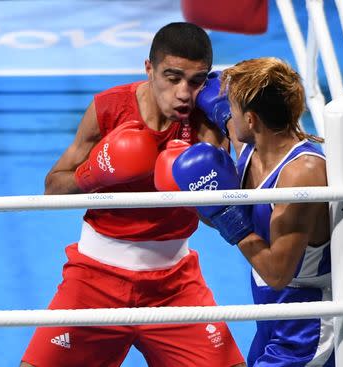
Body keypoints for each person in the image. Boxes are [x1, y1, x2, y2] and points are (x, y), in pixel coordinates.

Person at [20, 22, 245, 367]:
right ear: (149, 69)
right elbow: (52, 188)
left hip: (175, 287)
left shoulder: (207, 124)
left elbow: (220, 216)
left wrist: (201, 186)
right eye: (172, 78)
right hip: (94, 281)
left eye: (196, 81)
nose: (184, 93)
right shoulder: (109, 108)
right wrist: (93, 173)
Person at [161, 57, 335, 366]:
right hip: (269, 311)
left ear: (252, 119)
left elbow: (279, 274)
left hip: (304, 319)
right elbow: (223, 111)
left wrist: (230, 219)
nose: (230, 116)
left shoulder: (300, 174)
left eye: (235, 109)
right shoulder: (251, 148)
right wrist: (205, 200)